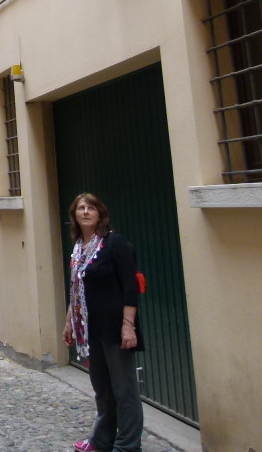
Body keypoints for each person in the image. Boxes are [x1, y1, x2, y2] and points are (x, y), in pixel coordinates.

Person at [62, 193, 144, 452]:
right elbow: (76, 290)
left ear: (100, 213)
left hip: (114, 328)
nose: (85, 212)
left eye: (91, 208)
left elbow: (130, 286)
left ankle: (128, 445)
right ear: (75, 215)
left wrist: (128, 325)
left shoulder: (113, 242)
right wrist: (69, 323)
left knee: (124, 390)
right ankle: (101, 440)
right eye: (81, 208)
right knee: (102, 390)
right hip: (89, 328)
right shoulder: (78, 247)